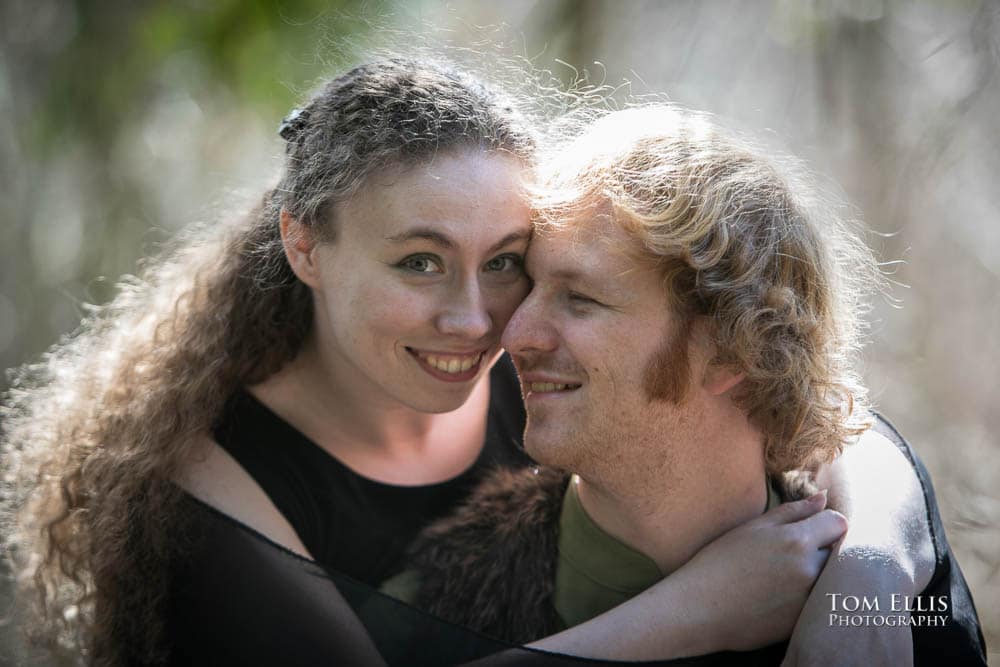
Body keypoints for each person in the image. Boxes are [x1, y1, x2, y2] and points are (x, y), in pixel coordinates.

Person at [0, 58, 942, 666]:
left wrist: (868, 571)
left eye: (504, 262)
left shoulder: (517, 357)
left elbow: (820, 405)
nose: (481, 318)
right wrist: (697, 611)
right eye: (418, 260)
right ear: (305, 246)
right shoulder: (217, 488)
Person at [385, 105, 988, 665]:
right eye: (529, 286)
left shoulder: (892, 617)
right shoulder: (422, 612)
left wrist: (869, 569)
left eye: (581, 299)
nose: (514, 332)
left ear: (732, 348)